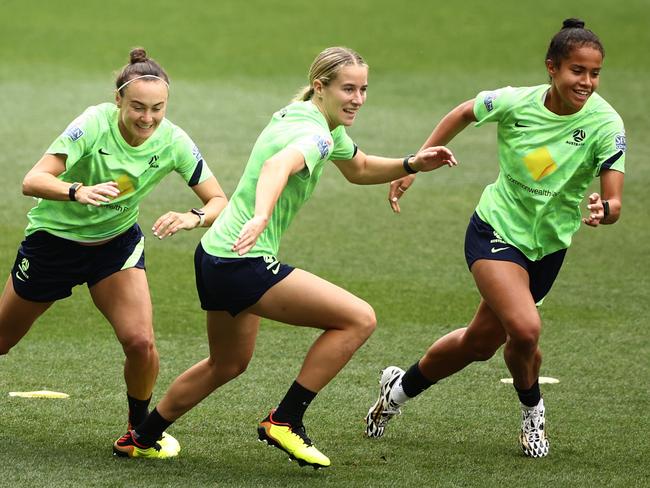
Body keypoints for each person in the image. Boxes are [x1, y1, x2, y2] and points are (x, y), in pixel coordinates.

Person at [112, 46, 458, 467]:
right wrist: (261, 215)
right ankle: (286, 419)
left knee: (227, 363)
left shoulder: (309, 119)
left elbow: (360, 167)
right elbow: (279, 166)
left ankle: (141, 437)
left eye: (364, 89)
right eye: (348, 88)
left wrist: (410, 163)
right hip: (243, 259)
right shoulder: (313, 134)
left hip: (215, 254)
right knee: (358, 318)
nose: (358, 98)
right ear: (320, 86)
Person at [365, 18, 626, 458]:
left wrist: (607, 210)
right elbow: (464, 111)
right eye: (576, 71)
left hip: (549, 246)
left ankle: (397, 390)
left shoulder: (605, 122)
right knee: (524, 329)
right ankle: (533, 411)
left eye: (594, 73)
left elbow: (614, 196)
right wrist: (419, 161)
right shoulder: (514, 102)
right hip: (495, 230)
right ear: (552, 68)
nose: (586, 82)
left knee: (480, 343)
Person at [0, 48, 227, 456]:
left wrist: (192, 217)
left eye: (157, 109)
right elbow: (32, 180)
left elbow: (217, 201)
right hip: (54, 243)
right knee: (2, 338)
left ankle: (137, 432)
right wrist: (77, 191)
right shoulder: (93, 123)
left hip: (115, 248)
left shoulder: (173, 140)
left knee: (140, 342)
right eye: (138, 107)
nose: (147, 118)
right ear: (118, 100)